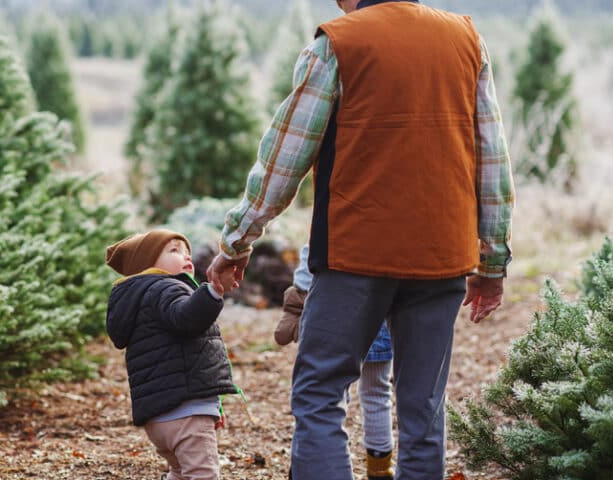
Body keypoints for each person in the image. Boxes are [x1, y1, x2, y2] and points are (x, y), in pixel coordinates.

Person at [207, 0, 515, 478]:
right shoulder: (466, 39)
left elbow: (283, 160)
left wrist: (236, 240)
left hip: (354, 253)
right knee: (423, 410)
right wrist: (491, 263)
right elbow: (492, 159)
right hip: (442, 256)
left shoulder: (338, 43)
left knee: (319, 394)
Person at [105, 229, 240, 480]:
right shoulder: (165, 289)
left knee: (179, 471)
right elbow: (187, 318)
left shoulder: (139, 298)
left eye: (187, 251)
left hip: (157, 417)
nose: (186, 256)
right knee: (203, 474)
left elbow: (182, 356)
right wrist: (214, 291)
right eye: (174, 250)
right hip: (186, 411)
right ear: (147, 265)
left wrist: (212, 404)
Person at [278, 246, 396, 480]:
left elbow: (312, 250)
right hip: (384, 303)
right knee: (377, 391)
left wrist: (299, 291)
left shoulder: (340, 213)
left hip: (341, 306)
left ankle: (309, 462)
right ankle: (380, 468)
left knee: (325, 393)